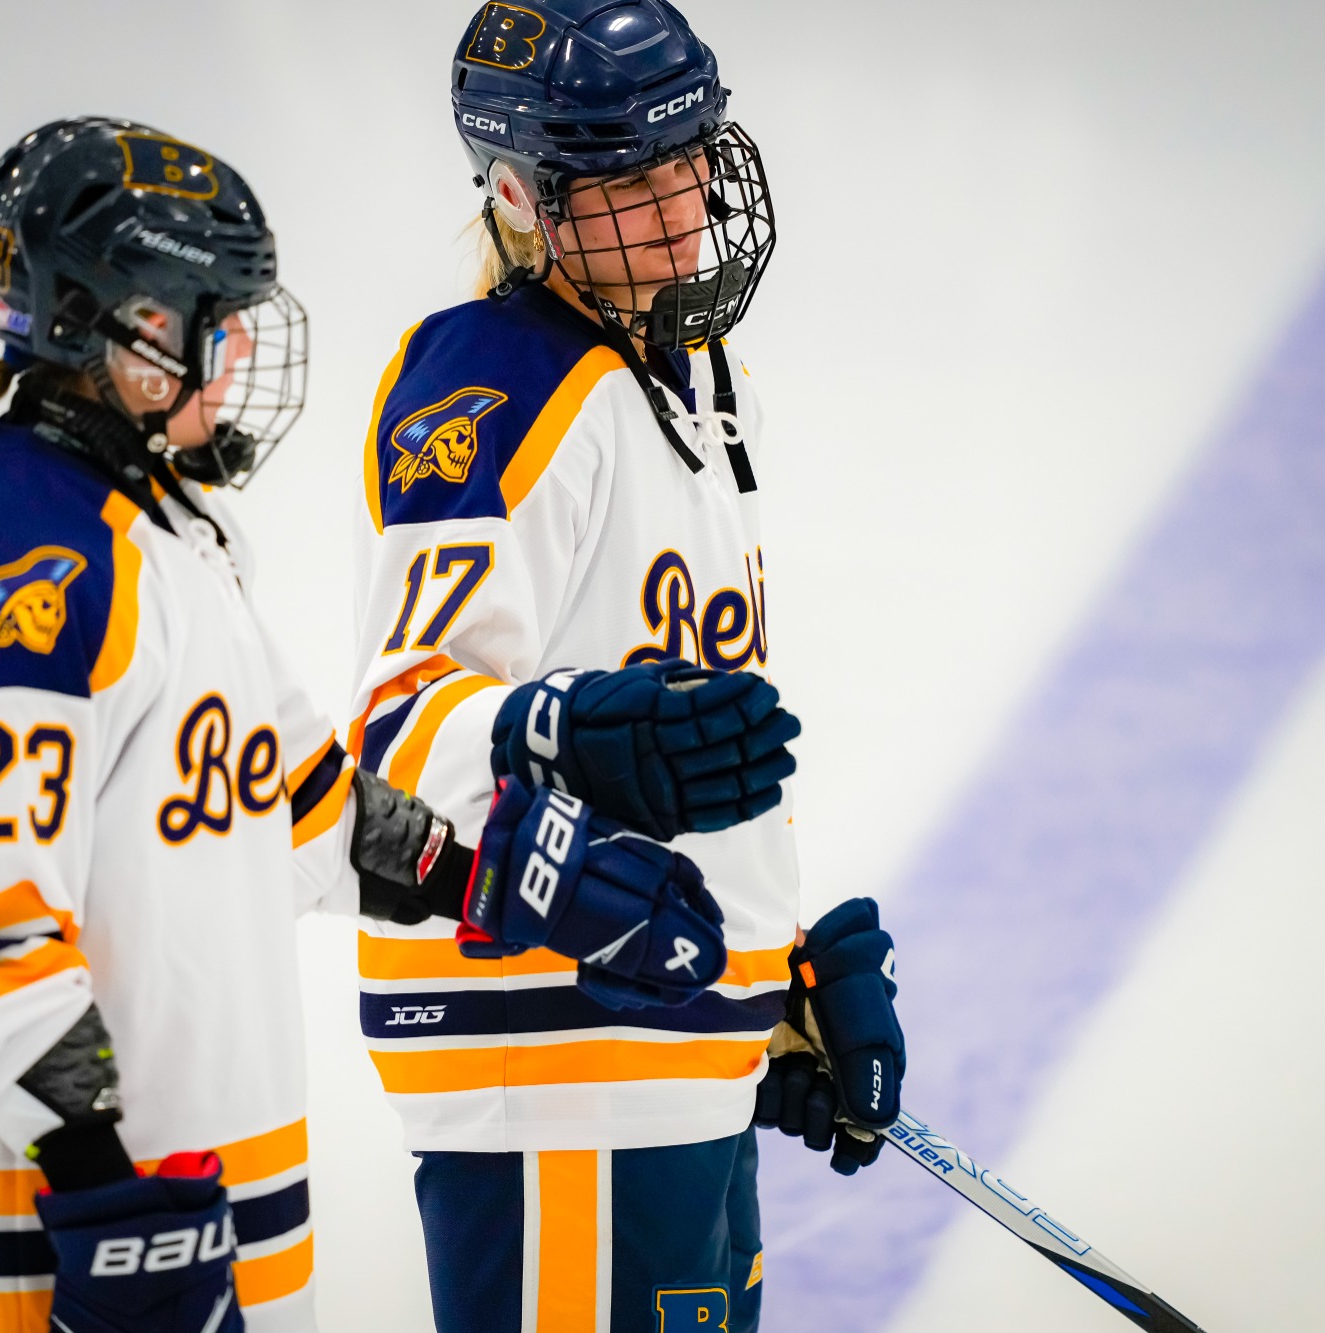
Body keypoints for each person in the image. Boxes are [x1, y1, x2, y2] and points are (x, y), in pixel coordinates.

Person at [0, 113, 795, 1333]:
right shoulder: (26, 557)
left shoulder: (161, 540)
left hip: (186, 1217)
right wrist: (99, 1184)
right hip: (24, 1248)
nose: (234, 364)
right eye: (207, 325)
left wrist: (513, 881)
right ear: (107, 328)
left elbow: (305, 804)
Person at [344, 4, 907, 1329]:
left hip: (664, 1052)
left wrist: (766, 983)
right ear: (524, 200)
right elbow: (397, 737)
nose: (674, 209)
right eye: (625, 182)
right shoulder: (490, 384)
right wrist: (560, 728)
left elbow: (681, 738)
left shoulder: (701, 379)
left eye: (688, 161)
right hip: (552, 1062)